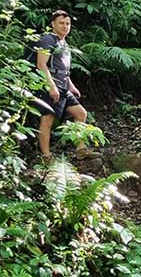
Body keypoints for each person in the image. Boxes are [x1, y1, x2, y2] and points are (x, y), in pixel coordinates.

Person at [32, 9, 96, 163]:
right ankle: (46, 157)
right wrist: (51, 86)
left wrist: (71, 86)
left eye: (67, 24)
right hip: (49, 86)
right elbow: (41, 64)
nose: (65, 26)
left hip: (63, 87)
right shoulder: (48, 40)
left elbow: (63, 70)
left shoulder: (63, 43)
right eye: (61, 23)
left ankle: (81, 149)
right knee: (47, 120)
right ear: (53, 24)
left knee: (80, 114)